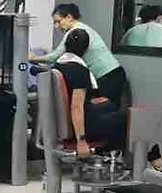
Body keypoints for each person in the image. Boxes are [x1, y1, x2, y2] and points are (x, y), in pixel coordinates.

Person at [31, 3, 129, 107]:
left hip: (108, 77)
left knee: (105, 110)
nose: (56, 26)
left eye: (58, 21)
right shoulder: (83, 28)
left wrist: (32, 58)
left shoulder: (75, 31)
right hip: (113, 74)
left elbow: (54, 57)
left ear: (69, 17)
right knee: (107, 110)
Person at [53, 28, 126, 157]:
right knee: (124, 118)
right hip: (80, 125)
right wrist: (81, 141)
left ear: (65, 45)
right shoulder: (79, 71)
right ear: (86, 50)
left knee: (109, 105)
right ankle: (108, 155)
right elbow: (77, 107)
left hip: (65, 119)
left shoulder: (58, 65)